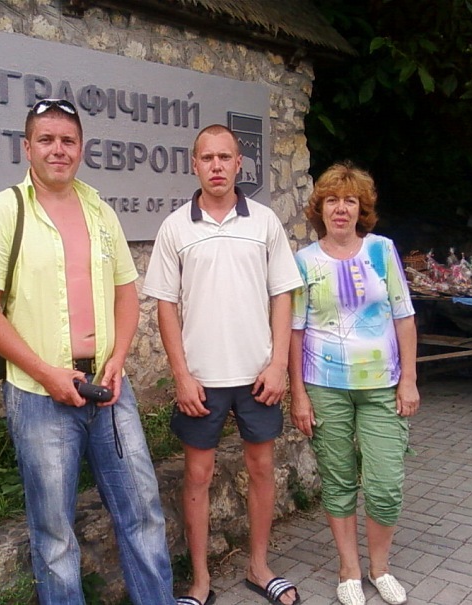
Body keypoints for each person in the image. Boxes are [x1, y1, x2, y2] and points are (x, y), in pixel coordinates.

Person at [0, 99, 175, 605]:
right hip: (40, 396)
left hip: (109, 389)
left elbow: (127, 293)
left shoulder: (101, 212)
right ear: (27, 147)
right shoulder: (1, 214)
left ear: (81, 148)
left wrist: (118, 359)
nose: (57, 149)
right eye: (46, 139)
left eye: (68, 140)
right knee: (55, 534)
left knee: (143, 512)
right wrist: (46, 373)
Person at [143, 124, 304, 605]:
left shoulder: (265, 223)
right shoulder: (175, 228)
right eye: (207, 158)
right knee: (197, 476)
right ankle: (200, 581)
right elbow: (165, 306)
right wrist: (181, 375)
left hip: (258, 376)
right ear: (194, 165)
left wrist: (278, 366)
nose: (216, 166)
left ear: (238, 163)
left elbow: (283, 296)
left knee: (261, 468)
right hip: (202, 380)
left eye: (225, 157)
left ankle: (259, 567)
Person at [288, 162, 419, 605]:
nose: (340, 208)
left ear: (361, 209)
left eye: (350, 201)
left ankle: (380, 568)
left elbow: (404, 317)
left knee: (385, 485)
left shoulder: (382, 250)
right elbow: (295, 331)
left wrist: (409, 380)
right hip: (325, 386)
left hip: (383, 385)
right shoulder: (304, 262)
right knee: (338, 479)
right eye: (332, 200)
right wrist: (298, 394)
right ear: (320, 208)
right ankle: (349, 569)